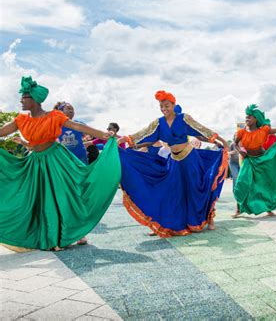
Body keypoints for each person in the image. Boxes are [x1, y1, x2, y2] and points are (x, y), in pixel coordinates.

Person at [0, 76, 121, 251]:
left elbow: (77, 126)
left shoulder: (54, 116)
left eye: (24, 97)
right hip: (36, 162)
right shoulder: (21, 120)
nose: (21, 100)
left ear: (34, 99)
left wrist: (102, 134)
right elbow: (2, 131)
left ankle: (69, 234)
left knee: (62, 196)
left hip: (56, 160)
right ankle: (49, 236)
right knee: (39, 199)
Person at [117, 90, 228, 237]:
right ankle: (167, 223)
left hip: (190, 159)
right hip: (174, 161)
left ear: (173, 105)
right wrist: (127, 141)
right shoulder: (158, 123)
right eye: (161, 106)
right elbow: (144, 134)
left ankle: (204, 219)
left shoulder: (184, 119)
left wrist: (221, 141)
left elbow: (201, 130)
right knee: (174, 192)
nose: (164, 109)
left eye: (167, 105)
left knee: (196, 189)